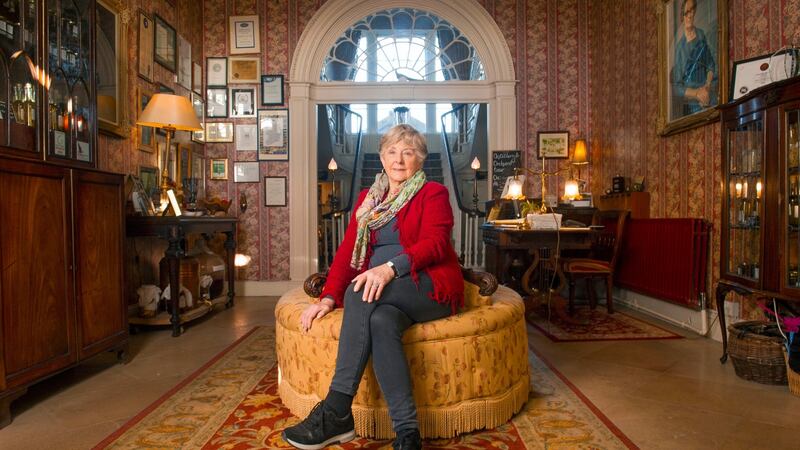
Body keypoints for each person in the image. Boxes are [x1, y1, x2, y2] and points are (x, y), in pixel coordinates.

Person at [282, 124, 464, 450]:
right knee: (380, 321)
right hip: (387, 293)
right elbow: (347, 253)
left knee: (361, 290)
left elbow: (436, 244)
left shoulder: (433, 193)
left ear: (420, 160)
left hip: (427, 285)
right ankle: (408, 434)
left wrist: (390, 268)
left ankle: (337, 410)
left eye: (408, 152)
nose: (399, 159)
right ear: (381, 157)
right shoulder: (369, 200)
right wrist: (327, 298)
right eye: (392, 151)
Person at [671, 0, 717, 118]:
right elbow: (677, 88)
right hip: (692, 100)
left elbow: (711, 65)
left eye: (692, 11)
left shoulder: (701, 34)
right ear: (682, 16)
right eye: (687, 12)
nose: (690, 15)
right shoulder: (680, 48)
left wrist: (706, 86)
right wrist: (697, 93)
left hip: (708, 92)